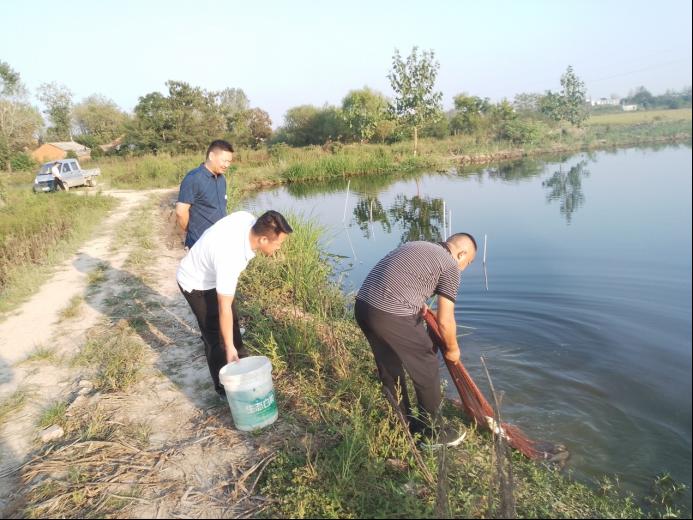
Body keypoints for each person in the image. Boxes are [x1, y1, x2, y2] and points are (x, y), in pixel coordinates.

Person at [354, 233, 477, 448]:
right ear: (461, 254)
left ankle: (401, 425)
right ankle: (432, 433)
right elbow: (445, 320)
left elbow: (401, 277)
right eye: (467, 263)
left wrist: (417, 301)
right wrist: (453, 349)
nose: (463, 268)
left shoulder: (418, 245)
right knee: (427, 364)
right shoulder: (450, 265)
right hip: (390, 313)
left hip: (364, 306)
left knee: (390, 368)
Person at [177, 210, 293, 397]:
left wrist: (231, 342)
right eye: (278, 243)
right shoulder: (231, 257)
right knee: (215, 336)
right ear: (263, 240)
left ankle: (241, 367)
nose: (279, 248)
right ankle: (224, 389)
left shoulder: (246, 218)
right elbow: (224, 306)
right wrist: (229, 346)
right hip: (195, 283)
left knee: (231, 326)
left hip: (212, 274)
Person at [176, 140, 234, 249]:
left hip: (219, 241)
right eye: (224, 161)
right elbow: (180, 212)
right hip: (199, 243)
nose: (227, 165)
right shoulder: (194, 178)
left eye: (229, 161)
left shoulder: (221, 179)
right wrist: (192, 231)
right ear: (211, 156)